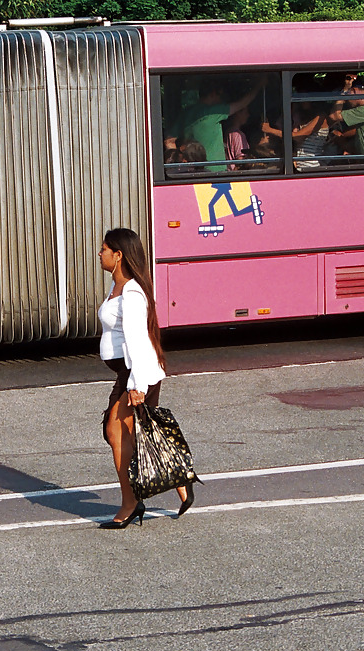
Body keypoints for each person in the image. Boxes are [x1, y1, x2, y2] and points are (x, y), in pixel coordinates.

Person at [97, 228, 193, 528]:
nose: (99, 254)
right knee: (139, 432)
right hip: (127, 371)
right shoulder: (118, 286)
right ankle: (180, 480)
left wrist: (137, 386)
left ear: (119, 254)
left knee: (117, 432)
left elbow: (138, 340)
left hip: (137, 372)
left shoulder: (132, 293)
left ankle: (131, 503)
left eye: (104, 249)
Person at [168, 77, 265, 172]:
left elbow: (169, 140)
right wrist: (258, 86)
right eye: (221, 96)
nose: (222, 101)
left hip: (193, 170)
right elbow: (242, 104)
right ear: (213, 93)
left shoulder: (186, 113)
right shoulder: (213, 112)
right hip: (215, 171)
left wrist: (178, 164)